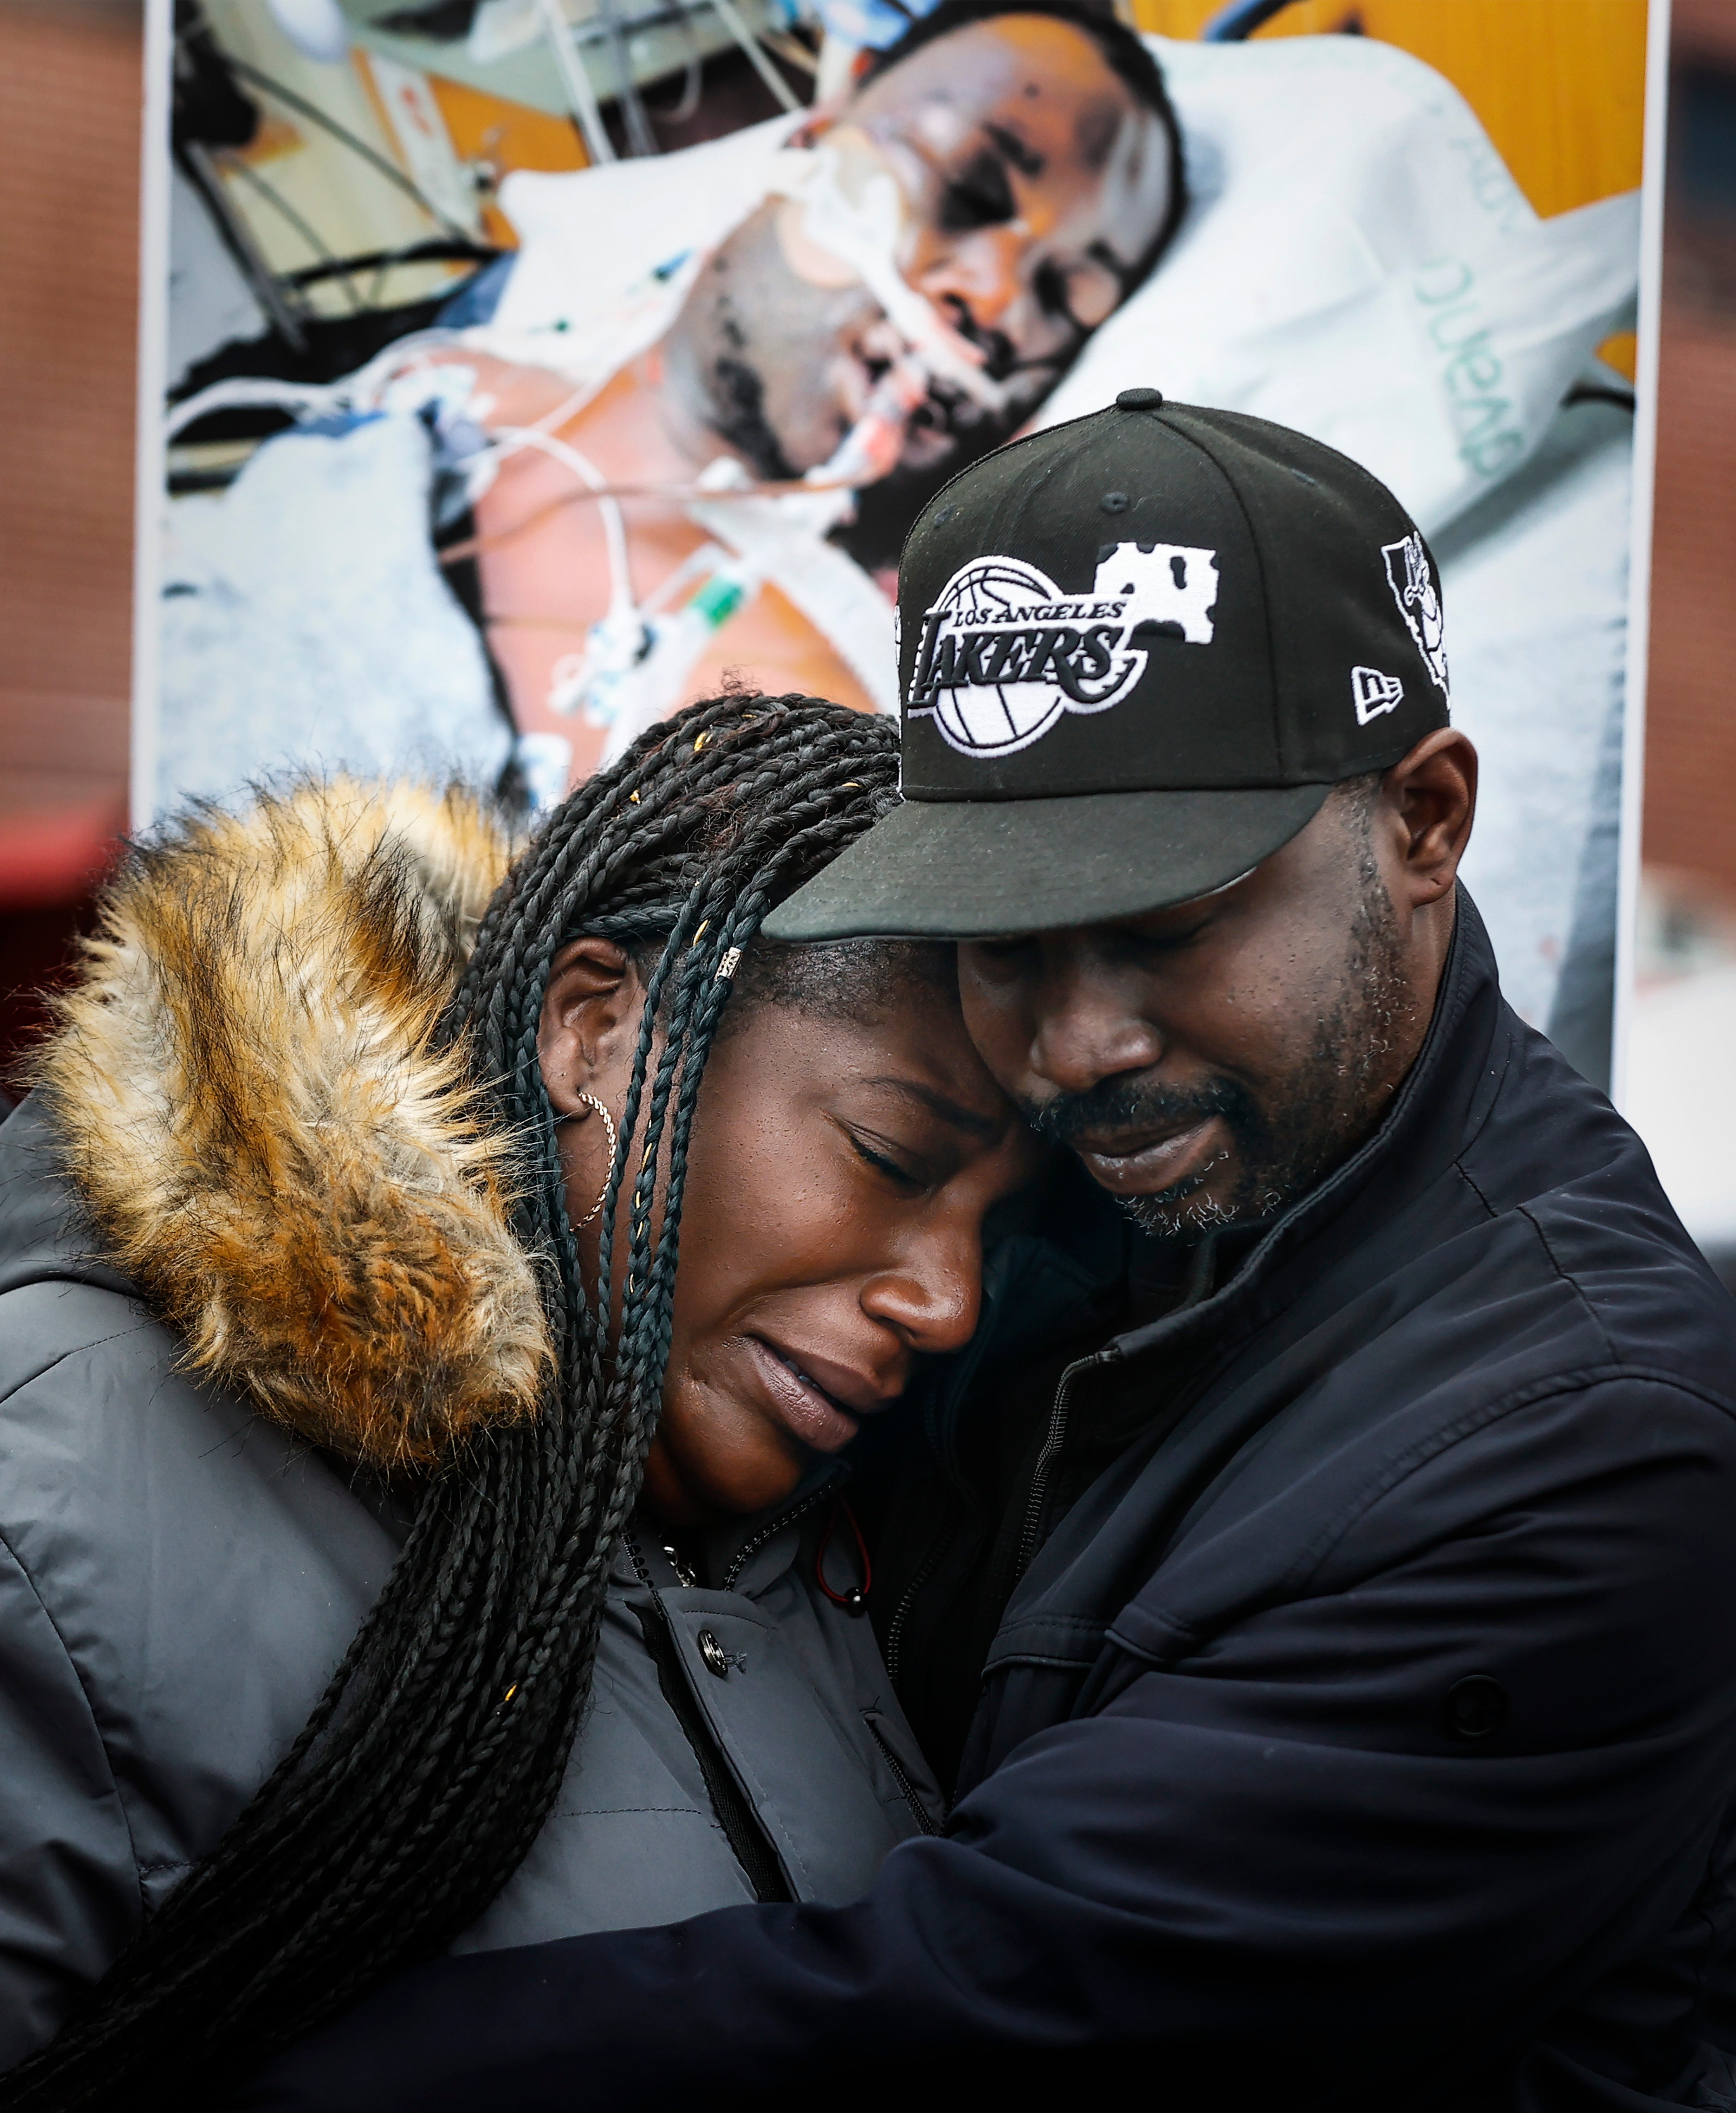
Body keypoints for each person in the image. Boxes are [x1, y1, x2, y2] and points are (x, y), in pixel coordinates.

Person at [234, 394, 1736, 2112]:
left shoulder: (1577, 1447)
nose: (1077, 1041)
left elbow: (979, 2017)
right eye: (1008, 943)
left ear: (1425, 820)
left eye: (1169, 924)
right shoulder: (1104, 1194)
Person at [0, 698, 1036, 2101]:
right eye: (894, 1155)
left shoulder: (826, 1522)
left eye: (997, 1225)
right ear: (593, 1031)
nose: (951, 1299)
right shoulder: (55, 1488)